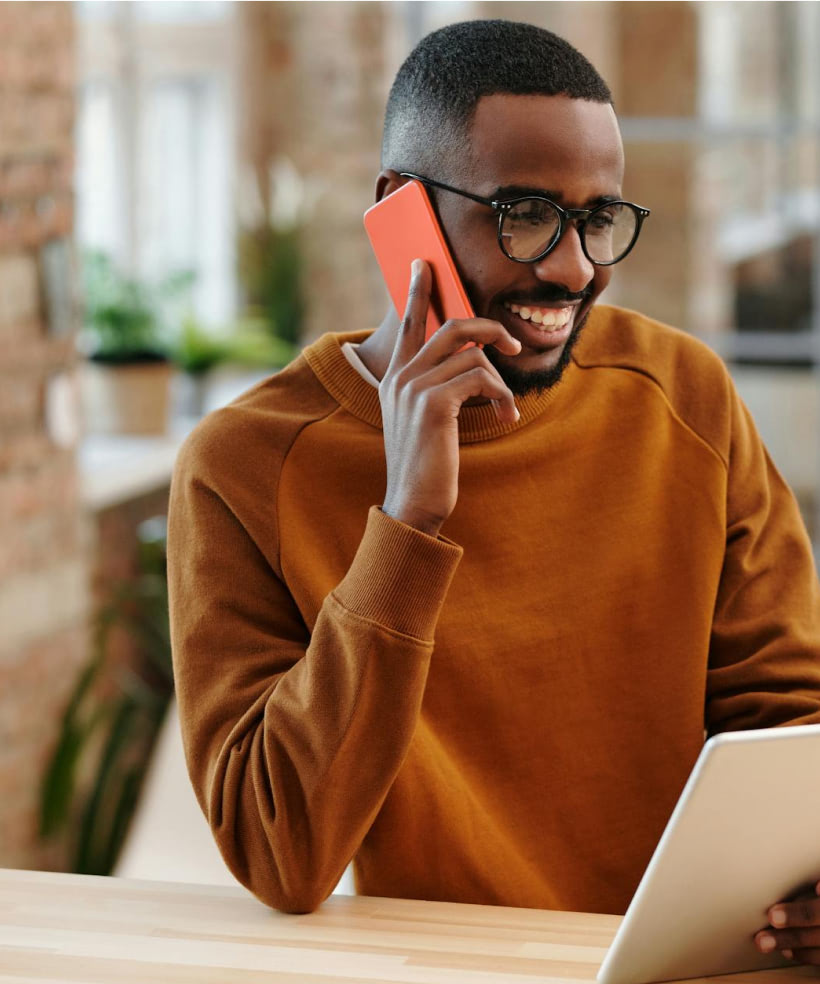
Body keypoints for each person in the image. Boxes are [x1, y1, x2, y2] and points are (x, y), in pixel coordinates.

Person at [167, 18, 820, 961]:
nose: (573, 267)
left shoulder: (683, 396)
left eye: (598, 218)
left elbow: (790, 726)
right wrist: (407, 522)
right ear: (403, 209)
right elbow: (279, 853)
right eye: (523, 213)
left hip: (700, 964)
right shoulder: (242, 467)